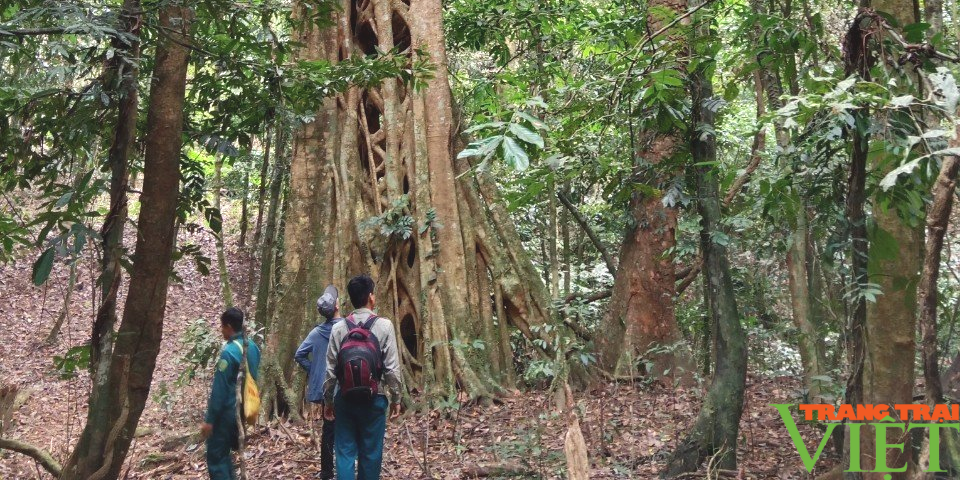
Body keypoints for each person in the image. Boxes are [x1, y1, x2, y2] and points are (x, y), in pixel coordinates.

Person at [322, 274, 403, 480]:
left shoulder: (339, 328)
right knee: (371, 453)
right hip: (374, 398)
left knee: (345, 452)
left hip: (345, 398)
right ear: (371, 297)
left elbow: (330, 369)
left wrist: (328, 401)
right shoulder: (385, 326)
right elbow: (392, 368)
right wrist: (396, 399)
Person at [201, 307, 261, 480]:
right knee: (225, 455)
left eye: (222, 326)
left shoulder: (228, 353)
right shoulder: (253, 347)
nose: (221, 330)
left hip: (226, 411)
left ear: (228, 326)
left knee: (216, 456)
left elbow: (220, 390)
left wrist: (210, 420)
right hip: (244, 409)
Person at [295, 285, 343, 480]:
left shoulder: (316, 333)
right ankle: (343, 470)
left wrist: (315, 370)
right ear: (337, 306)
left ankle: (326, 472)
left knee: (328, 429)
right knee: (345, 428)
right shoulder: (346, 328)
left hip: (325, 389)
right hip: (344, 386)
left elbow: (299, 355)